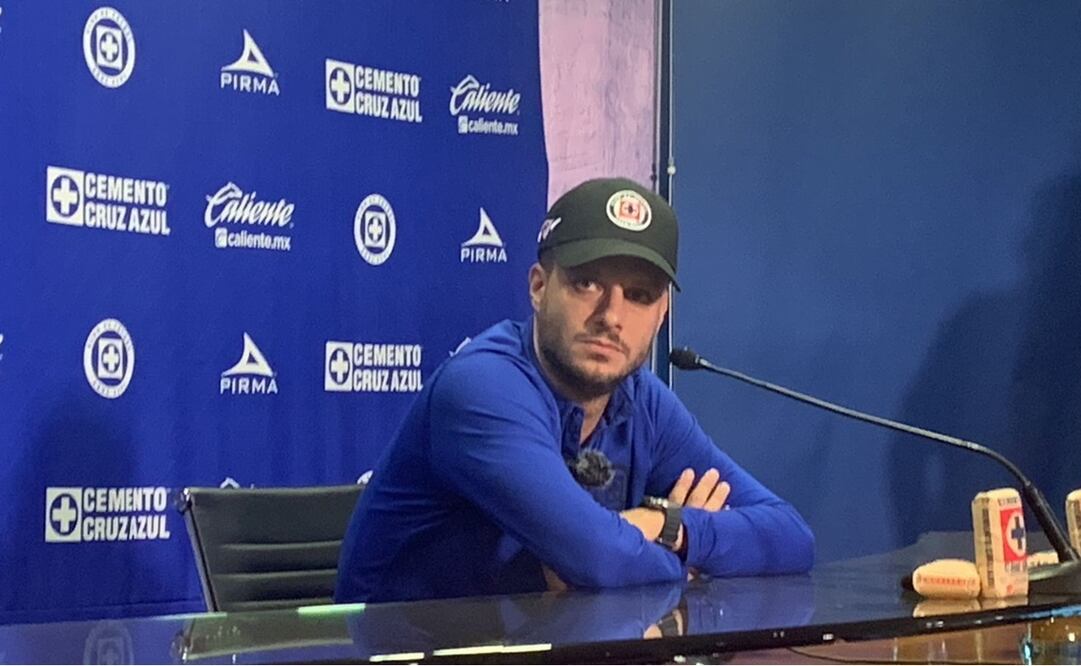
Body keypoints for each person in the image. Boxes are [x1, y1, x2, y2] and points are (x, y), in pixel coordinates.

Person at [336, 178, 814, 603]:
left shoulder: (643, 402)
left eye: (639, 295)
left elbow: (792, 536)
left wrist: (669, 526)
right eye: (587, 283)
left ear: (661, 315)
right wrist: (686, 564)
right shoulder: (482, 387)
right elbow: (601, 559)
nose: (612, 316)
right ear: (539, 287)